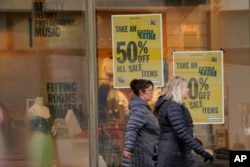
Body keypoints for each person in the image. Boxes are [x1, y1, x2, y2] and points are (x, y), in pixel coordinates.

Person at [155, 76, 214, 167]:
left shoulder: (172, 105)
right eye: (186, 87)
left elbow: (181, 131)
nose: (188, 90)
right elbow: (182, 132)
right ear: (179, 89)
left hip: (178, 152)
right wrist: (201, 151)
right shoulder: (173, 106)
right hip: (174, 154)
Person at [122, 79, 160, 167]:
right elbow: (132, 128)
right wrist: (128, 148)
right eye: (150, 90)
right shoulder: (139, 109)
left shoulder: (143, 108)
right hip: (141, 156)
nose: (152, 93)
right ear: (141, 92)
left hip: (145, 154)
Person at [27, 97, 56, 167]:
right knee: (38, 163)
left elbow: (51, 125)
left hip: (48, 140)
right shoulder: (31, 110)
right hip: (37, 141)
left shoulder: (47, 109)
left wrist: (53, 128)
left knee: (49, 163)